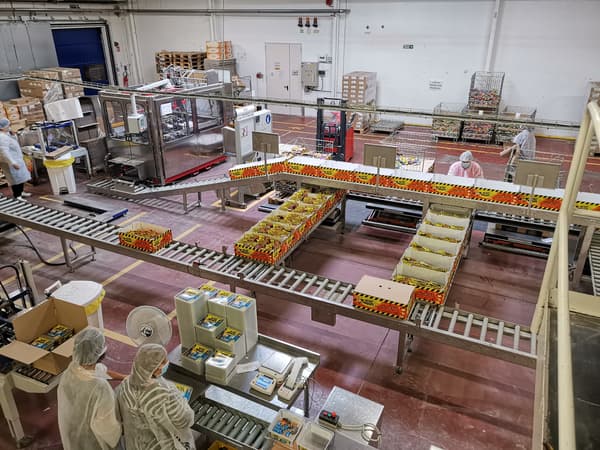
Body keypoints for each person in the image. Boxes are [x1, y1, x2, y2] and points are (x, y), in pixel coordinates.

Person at [116, 343, 195, 450]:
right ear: (157, 369)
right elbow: (184, 420)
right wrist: (183, 401)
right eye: (164, 361)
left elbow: (119, 417)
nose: (167, 363)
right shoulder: (165, 392)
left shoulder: (124, 386)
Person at [57, 327, 122, 450]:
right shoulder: (100, 388)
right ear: (100, 353)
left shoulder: (70, 371)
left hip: (71, 436)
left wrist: (125, 377)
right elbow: (108, 429)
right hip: (92, 441)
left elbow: (101, 371)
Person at [0, 118, 31, 199]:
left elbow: (13, 142)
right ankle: (17, 195)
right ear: (2, 127)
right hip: (11, 161)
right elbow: (4, 151)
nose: (9, 126)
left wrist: (13, 135)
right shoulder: (2, 137)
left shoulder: (6, 134)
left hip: (16, 159)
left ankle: (21, 192)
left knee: (20, 177)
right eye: (8, 125)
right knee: (15, 180)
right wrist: (12, 163)